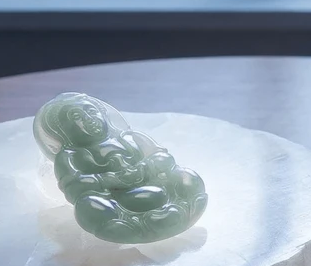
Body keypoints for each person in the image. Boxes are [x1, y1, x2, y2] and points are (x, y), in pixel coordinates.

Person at [35, 92, 207, 243]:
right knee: (89, 205)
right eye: (77, 117)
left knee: (186, 177)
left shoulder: (130, 138)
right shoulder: (70, 156)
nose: (89, 120)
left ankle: (165, 216)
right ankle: (149, 221)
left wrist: (146, 168)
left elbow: (164, 158)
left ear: (104, 115)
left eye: (92, 112)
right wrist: (110, 180)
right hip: (116, 203)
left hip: (156, 188)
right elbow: (73, 187)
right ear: (62, 131)